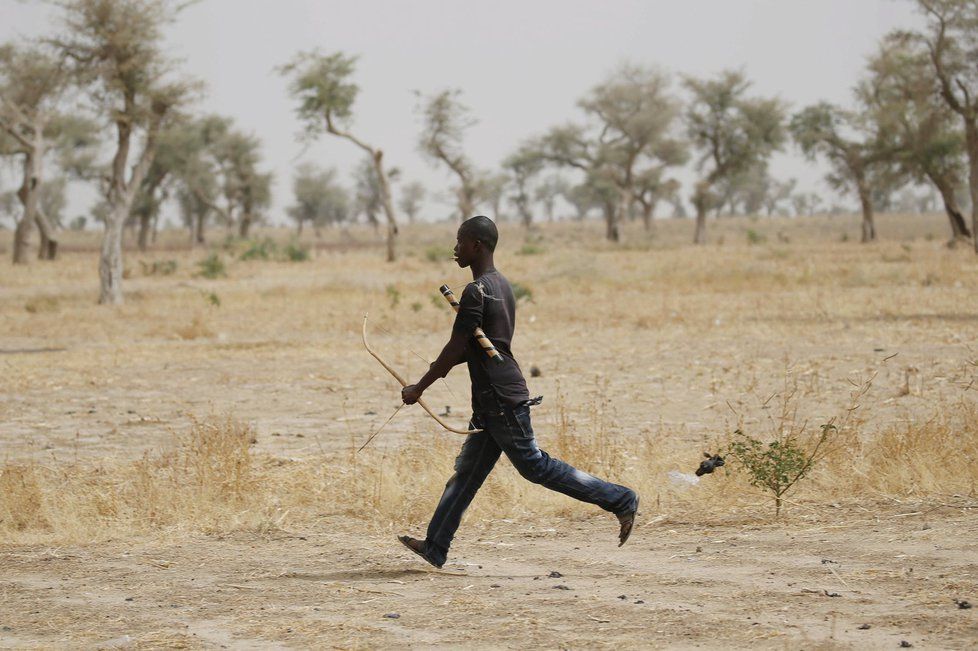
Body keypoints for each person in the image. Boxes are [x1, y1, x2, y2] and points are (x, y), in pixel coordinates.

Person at [398, 215, 638, 569]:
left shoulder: (476, 291)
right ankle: (435, 546)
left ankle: (620, 498)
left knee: (535, 467)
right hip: (493, 396)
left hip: (500, 397)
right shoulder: (501, 285)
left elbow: (455, 347)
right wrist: (433, 376)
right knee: (468, 473)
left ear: (476, 245)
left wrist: (420, 386)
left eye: (460, 241)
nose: (455, 248)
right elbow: (475, 348)